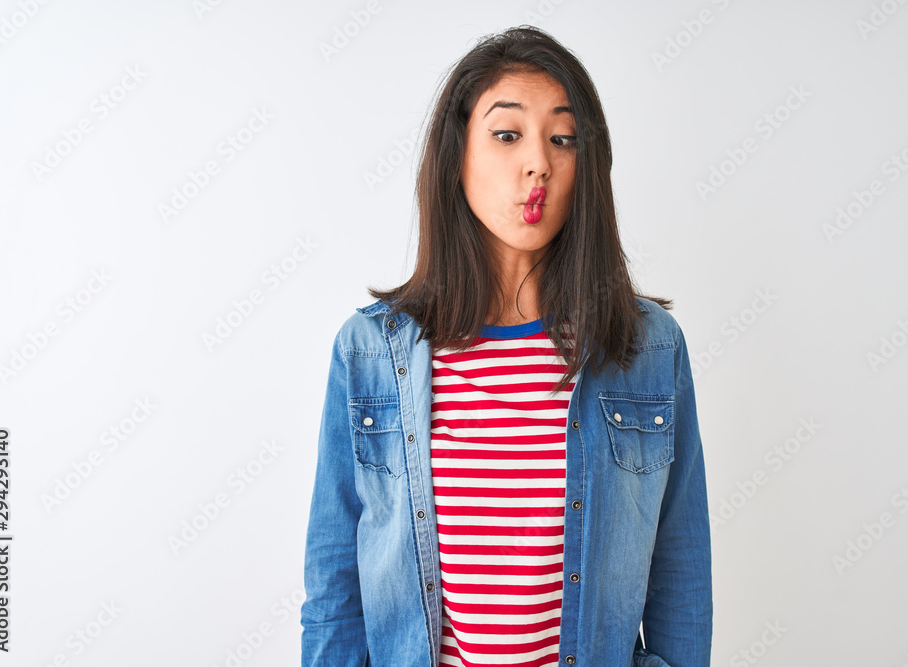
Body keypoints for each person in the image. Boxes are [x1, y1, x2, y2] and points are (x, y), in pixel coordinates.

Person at [300, 25, 712, 667]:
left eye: (563, 139)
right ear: (455, 155)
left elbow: (681, 571)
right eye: (507, 133)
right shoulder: (369, 353)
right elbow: (334, 586)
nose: (538, 162)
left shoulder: (647, 348)